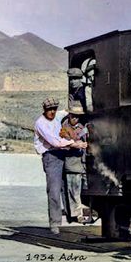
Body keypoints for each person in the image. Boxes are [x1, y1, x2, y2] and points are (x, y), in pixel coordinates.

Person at [34, 97, 87, 235]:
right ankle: (55, 223)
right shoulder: (41, 123)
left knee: (69, 187)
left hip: (64, 154)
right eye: (49, 110)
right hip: (52, 157)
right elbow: (55, 141)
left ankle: (72, 216)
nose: (52, 112)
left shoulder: (58, 115)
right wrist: (76, 144)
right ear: (44, 110)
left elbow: (67, 112)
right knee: (54, 190)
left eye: (54, 109)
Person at [60, 101, 88, 224]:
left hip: (81, 163)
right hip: (71, 163)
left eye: (77, 116)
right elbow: (63, 144)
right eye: (73, 116)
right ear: (69, 115)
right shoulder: (64, 128)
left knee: (79, 190)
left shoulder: (82, 127)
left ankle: (77, 212)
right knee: (73, 190)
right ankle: (77, 214)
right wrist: (77, 144)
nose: (75, 119)